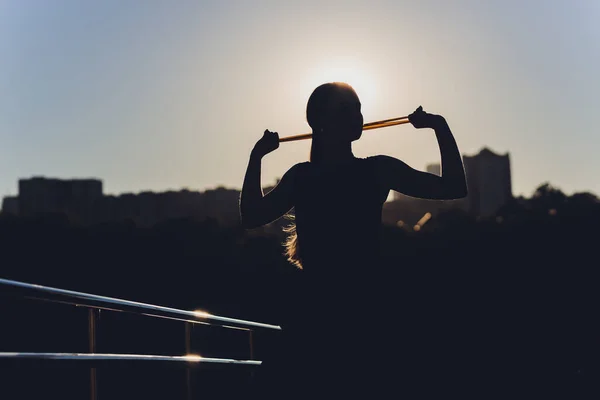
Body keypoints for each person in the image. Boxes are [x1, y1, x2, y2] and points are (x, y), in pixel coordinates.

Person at [240, 82, 467, 398]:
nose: (358, 116)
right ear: (321, 122)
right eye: (347, 110)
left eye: (358, 108)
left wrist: (257, 157)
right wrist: (438, 127)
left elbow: (251, 215)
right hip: (362, 315)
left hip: (317, 316)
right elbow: (454, 186)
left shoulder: (306, 176)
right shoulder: (373, 170)